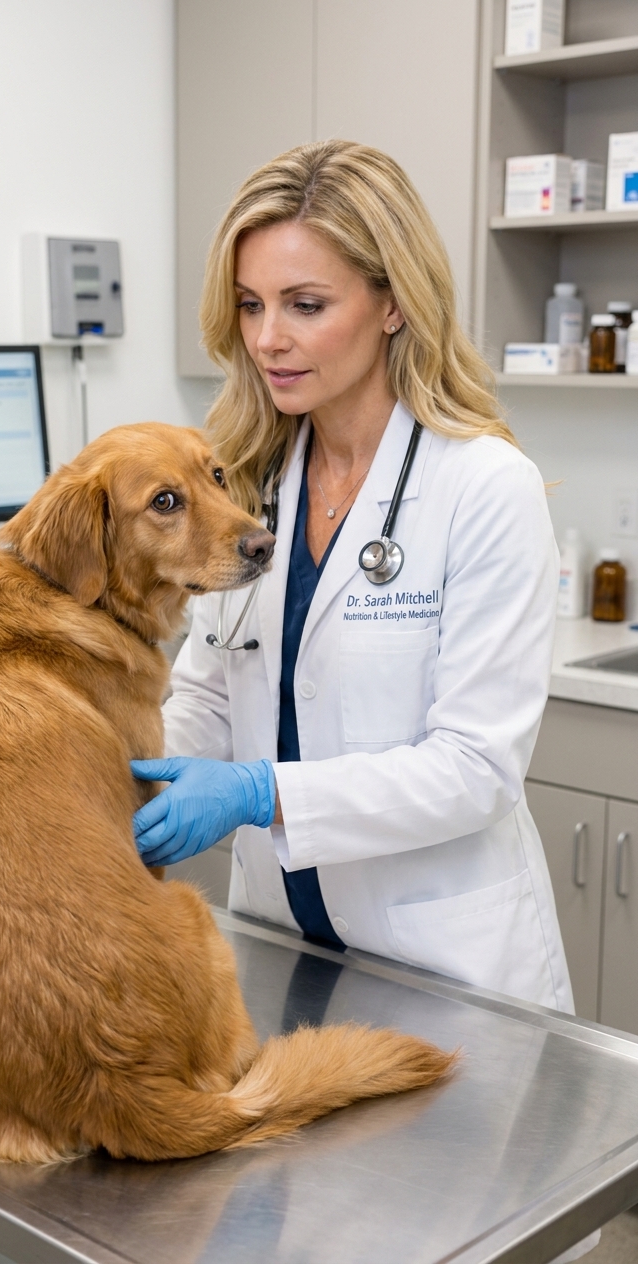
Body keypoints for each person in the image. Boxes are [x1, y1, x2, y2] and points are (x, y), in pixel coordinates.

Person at [131, 138, 571, 1014]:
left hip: (441, 970)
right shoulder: (244, 480)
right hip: (277, 945)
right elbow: (209, 697)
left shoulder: (482, 486)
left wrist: (262, 792)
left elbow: (474, 768)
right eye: (251, 305)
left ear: (393, 304)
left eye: (304, 304)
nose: (267, 338)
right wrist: (114, 778)